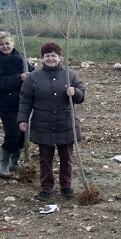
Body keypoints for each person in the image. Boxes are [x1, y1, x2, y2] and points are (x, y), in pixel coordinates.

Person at [17, 41, 86, 200]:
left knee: (66, 158)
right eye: (47, 56)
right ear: (43, 58)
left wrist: (74, 92)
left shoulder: (71, 75)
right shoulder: (34, 77)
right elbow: (25, 99)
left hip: (65, 123)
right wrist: (23, 119)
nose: (50, 58)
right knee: (45, 159)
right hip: (43, 124)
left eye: (53, 55)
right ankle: (46, 186)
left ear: (59, 57)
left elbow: (81, 95)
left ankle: (66, 185)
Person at [0, 31, 34, 178]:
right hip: (5, 104)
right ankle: (3, 164)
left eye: (7, 43)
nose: (5, 46)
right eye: (2, 44)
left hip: (23, 102)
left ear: (12, 43)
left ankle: (15, 161)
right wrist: (19, 78)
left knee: (23, 134)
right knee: (13, 134)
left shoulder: (20, 59)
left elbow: (32, 72)